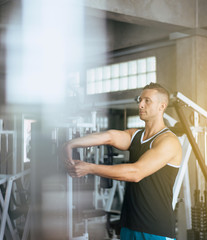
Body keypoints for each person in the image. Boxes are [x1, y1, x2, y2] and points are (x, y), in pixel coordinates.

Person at [62, 82, 182, 240]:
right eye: (140, 100)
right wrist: (71, 143)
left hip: (155, 230)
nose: (140, 105)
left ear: (162, 106)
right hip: (128, 225)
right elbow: (110, 136)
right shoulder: (136, 136)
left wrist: (89, 168)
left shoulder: (168, 141)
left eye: (147, 101)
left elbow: (135, 172)